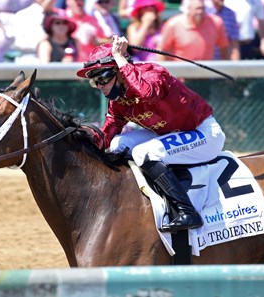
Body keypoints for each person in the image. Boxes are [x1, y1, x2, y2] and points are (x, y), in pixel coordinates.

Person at [76, 36, 226, 232]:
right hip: (165, 134)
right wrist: (76, 139)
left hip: (203, 134)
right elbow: (106, 136)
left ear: (121, 71)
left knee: (144, 153)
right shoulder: (118, 101)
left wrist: (119, 58)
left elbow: (147, 95)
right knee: (118, 144)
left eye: (103, 78)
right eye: (95, 82)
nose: (100, 85)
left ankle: (187, 212)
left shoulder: (154, 73)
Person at [158, 0, 229, 61]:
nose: (200, 12)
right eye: (197, 9)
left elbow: (224, 48)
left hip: (206, 72)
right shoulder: (173, 24)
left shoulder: (216, 23)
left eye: (202, 8)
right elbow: (162, 50)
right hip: (180, 73)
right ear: (188, 9)